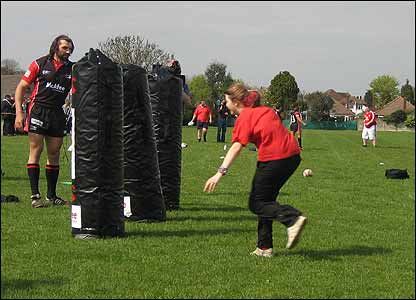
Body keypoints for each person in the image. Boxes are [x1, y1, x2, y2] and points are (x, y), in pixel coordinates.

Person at [204, 83, 307, 258]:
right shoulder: (264, 110)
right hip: (293, 156)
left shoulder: (245, 118)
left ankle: (292, 218)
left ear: (236, 102)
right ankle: (264, 247)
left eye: (226, 100)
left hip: (274, 158)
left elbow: (237, 147)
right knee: (266, 201)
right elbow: (253, 95)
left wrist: (219, 173)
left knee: (257, 203)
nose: (224, 103)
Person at [14, 34, 75, 208]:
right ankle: (35, 196)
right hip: (38, 110)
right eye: (64, 47)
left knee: (54, 153)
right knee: (36, 149)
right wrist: (19, 113)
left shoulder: (72, 69)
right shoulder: (39, 63)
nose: (68, 51)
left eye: (70, 48)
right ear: (56, 47)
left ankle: (51, 195)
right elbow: (21, 87)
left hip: (57, 112)